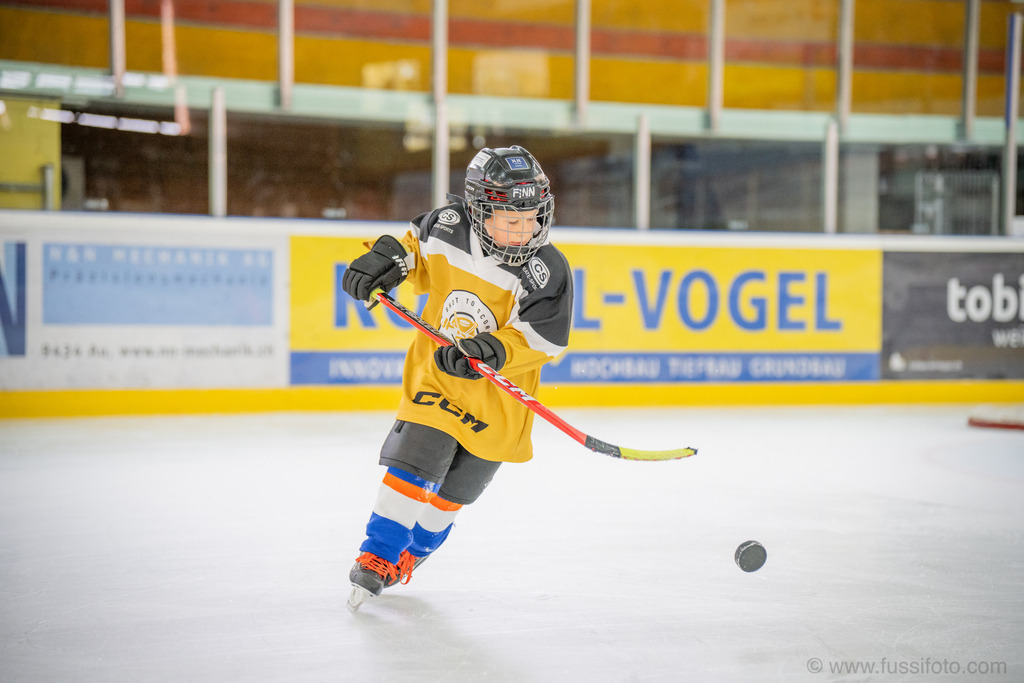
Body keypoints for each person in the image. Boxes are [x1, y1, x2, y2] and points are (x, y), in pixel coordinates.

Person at [341, 146, 573, 605]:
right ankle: (377, 554)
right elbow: (412, 251)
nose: (524, 228)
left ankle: (414, 552)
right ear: (477, 209)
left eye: (531, 217)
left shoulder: (547, 269)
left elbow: (547, 339)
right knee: (414, 463)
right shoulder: (447, 226)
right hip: (438, 380)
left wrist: (492, 348)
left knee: (453, 495)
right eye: (510, 217)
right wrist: (383, 262)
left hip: (498, 402)